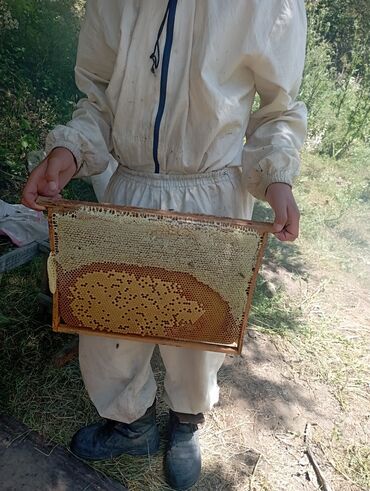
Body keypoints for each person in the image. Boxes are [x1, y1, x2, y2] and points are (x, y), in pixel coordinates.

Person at [22, 1, 307, 489]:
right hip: (128, 182)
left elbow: (278, 108)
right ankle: (131, 426)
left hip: (212, 192)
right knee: (110, 320)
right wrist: (72, 147)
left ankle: (186, 422)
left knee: (198, 330)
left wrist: (276, 176)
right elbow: (98, 97)